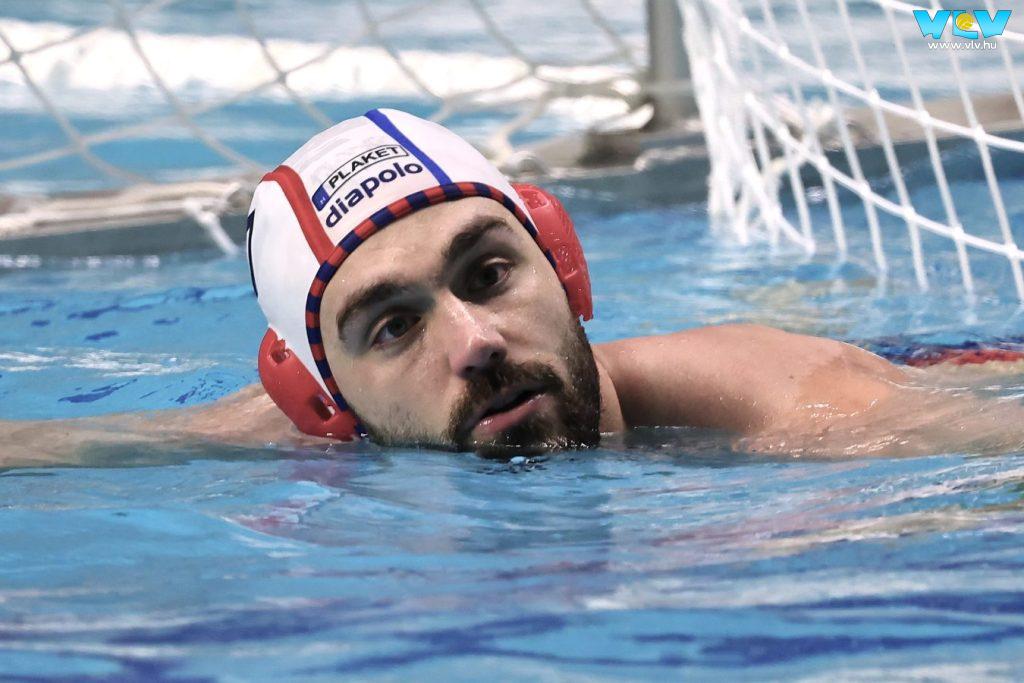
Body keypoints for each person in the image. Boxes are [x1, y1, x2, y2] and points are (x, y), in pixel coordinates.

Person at [2, 109, 1022, 466]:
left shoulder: (790, 405)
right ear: (324, 405)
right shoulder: (308, 432)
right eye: (393, 327)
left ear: (564, 266)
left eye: (489, 272)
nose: (476, 340)